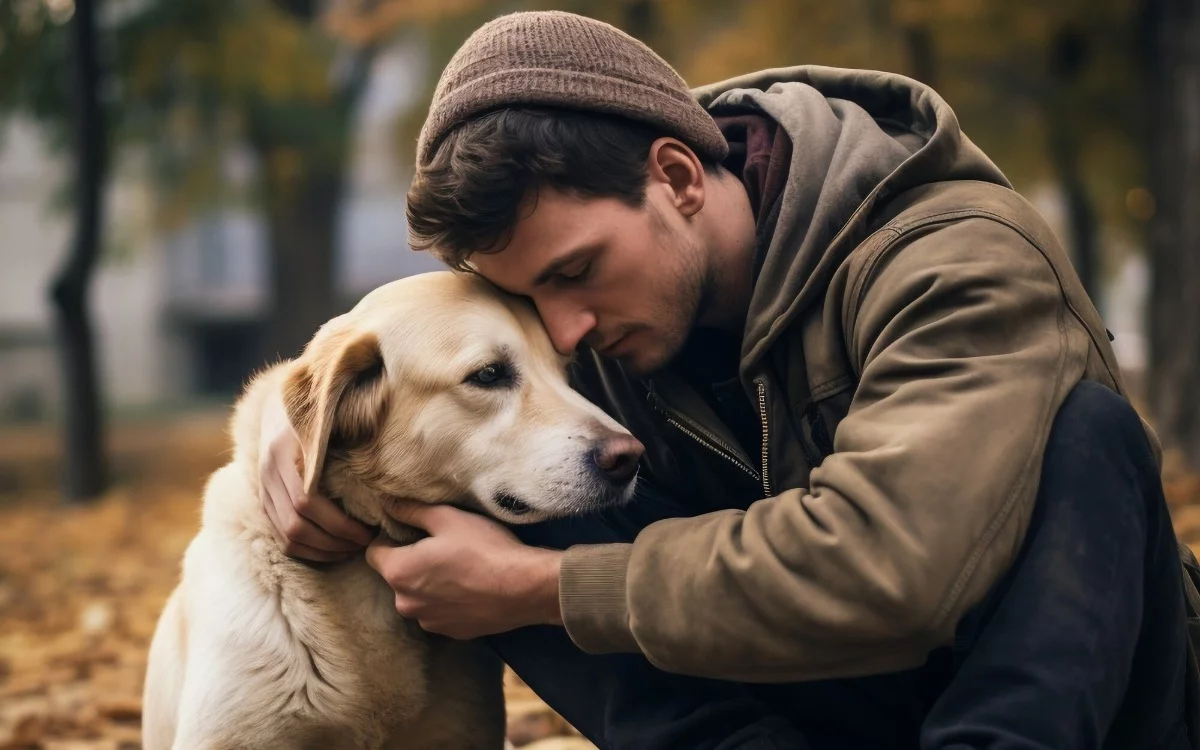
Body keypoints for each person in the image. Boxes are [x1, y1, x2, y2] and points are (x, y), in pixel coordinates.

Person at [258, 11, 1200, 749]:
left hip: (1086, 706)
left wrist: (544, 586)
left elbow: (894, 573)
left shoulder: (955, 259)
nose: (566, 328)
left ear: (677, 175)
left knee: (1093, 436)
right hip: (831, 714)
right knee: (501, 475)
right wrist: (290, 437)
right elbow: (408, 368)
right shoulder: (600, 330)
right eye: (532, 300)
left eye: (576, 271)